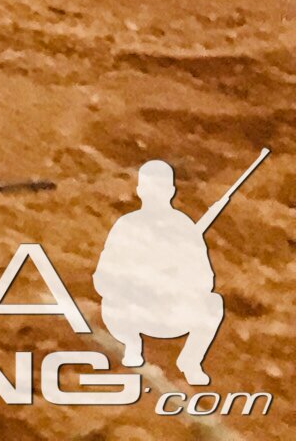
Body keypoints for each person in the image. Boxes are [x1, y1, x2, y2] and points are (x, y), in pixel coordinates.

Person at [94, 160, 226, 385]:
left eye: (161, 188)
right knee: (111, 302)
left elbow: (205, 279)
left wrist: (176, 280)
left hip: (172, 311)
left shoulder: (184, 228)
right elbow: (103, 276)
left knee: (213, 304)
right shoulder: (127, 225)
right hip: (133, 311)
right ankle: (131, 346)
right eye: (150, 188)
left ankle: (190, 361)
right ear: (140, 190)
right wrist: (136, 280)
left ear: (171, 191)